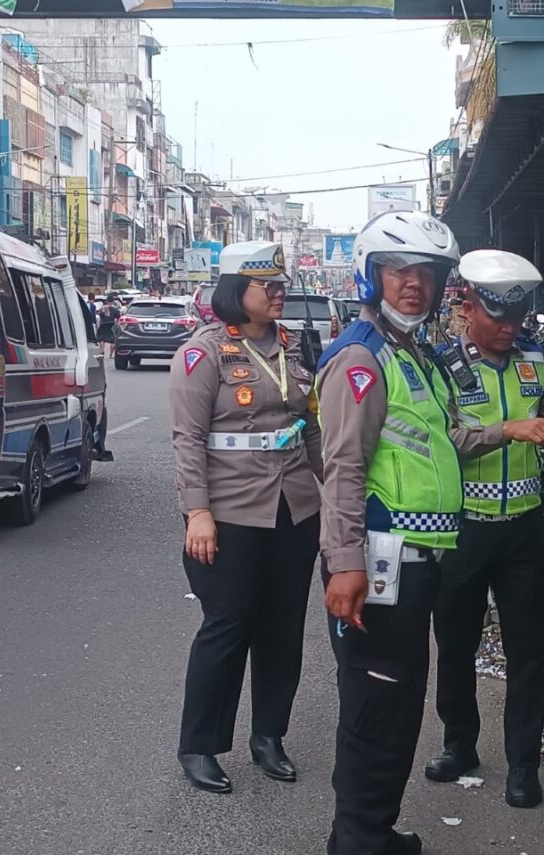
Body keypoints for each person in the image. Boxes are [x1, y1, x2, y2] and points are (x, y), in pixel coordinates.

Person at [316, 212, 544, 855]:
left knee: (398, 706)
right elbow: (342, 467)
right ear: (372, 276)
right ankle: (358, 840)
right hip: (382, 557)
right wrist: (344, 561)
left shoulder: (412, 355)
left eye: (426, 274)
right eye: (399, 272)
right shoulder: (362, 358)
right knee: (376, 703)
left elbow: (439, 443)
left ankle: (372, 831)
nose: (414, 285)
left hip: (422, 555)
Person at [425, 249, 544, 810]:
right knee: (455, 646)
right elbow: (444, 440)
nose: (508, 328)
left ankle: (524, 765)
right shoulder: (441, 367)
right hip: (463, 529)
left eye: (516, 318)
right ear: (469, 306)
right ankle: (459, 745)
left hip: (523, 529)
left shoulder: (537, 364)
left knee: (526, 652)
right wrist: (508, 430)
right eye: (498, 317)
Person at [169, 241, 323, 795]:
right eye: (268, 286)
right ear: (238, 289)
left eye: (282, 285)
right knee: (227, 625)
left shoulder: (293, 347)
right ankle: (200, 745)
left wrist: (336, 492)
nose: (279, 294)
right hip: (230, 510)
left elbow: (310, 427)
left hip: (294, 507)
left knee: (284, 627)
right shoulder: (204, 352)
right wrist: (197, 512)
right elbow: (188, 438)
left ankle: (269, 736)